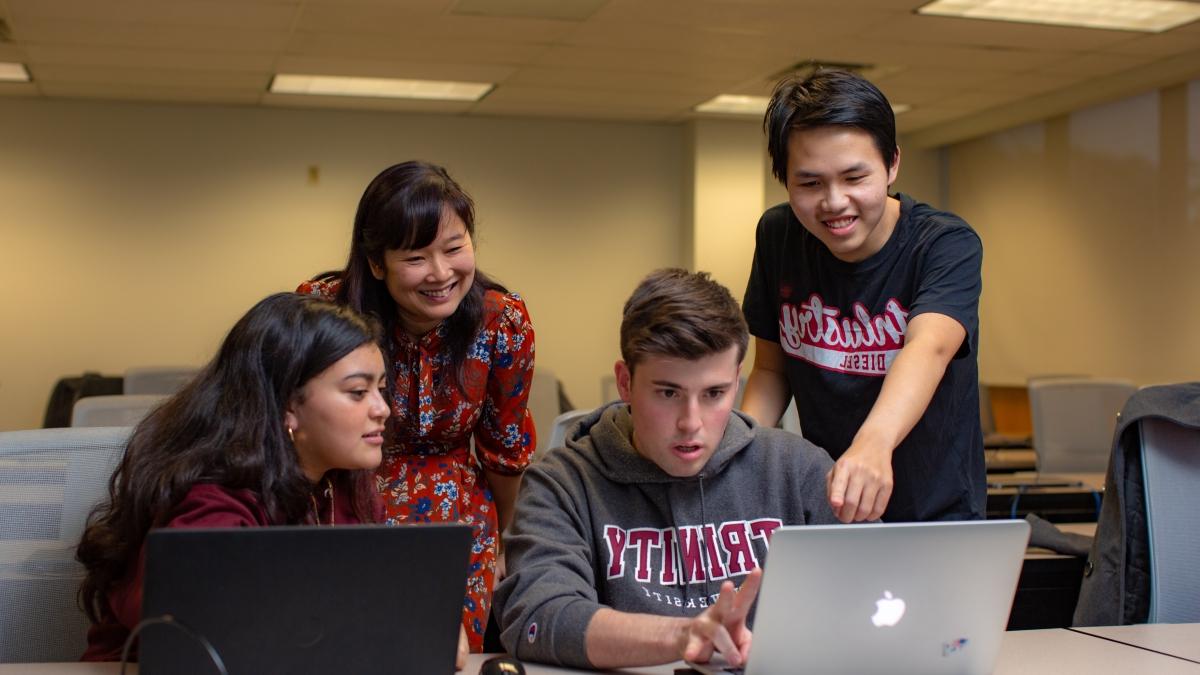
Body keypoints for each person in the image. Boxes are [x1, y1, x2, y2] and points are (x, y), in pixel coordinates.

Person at [493, 269, 838, 670]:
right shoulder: (562, 482)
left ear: (736, 381)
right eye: (668, 392)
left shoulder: (798, 470)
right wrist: (685, 635)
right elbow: (537, 617)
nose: (691, 422)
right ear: (625, 383)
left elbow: (884, 589)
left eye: (714, 394)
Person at [76, 293, 431, 660]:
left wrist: (424, 630)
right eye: (358, 392)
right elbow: (211, 632)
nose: (382, 409)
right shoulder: (211, 503)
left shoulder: (344, 486)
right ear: (286, 406)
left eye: (382, 389)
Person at [298, 161, 536, 651]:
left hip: (457, 517)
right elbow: (293, 428)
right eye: (416, 258)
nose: (441, 273)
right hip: (344, 501)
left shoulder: (501, 320)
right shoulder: (321, 311)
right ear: (377, 262)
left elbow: (504, 449)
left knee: (444, 652)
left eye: (454, 248)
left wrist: (497, 538)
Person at [741, 69, 985, 523]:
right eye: (810, 184)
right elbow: (772, 369)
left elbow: (929, 347)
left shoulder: (943, 243)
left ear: (892, 164)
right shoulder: (779, 235)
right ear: (784, 178)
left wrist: (874, 443)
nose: (834, 203)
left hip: (934, 512)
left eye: (855, 177)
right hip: (828, 504)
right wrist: (740, 450)